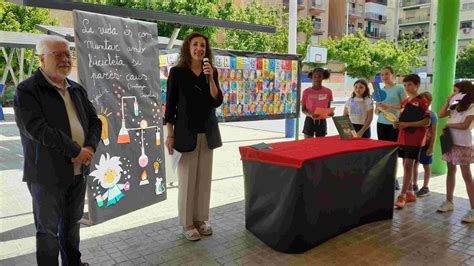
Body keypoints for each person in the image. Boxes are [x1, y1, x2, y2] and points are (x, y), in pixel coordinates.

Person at [13, 35, 101, 265]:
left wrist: (89, 147)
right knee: (48, 233)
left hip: (78, 171)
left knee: (71, 227)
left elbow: (95, 121)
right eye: (58, 54)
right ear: (42, 59)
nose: (65, 59)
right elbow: (37, 129)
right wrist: (75, 151)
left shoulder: (76, 89)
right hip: (47, 175)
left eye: (67, 53)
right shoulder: (27, 90)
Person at [164, 32, 223, 241]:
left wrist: (210, 78)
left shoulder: (211, 72)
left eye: (203, 46)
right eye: (195, 44)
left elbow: (217, 101)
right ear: (188, 48)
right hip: (184, 134)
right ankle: (187, 223)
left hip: (207, 133)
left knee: (203, 179)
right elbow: (170, 106)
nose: (199, 48)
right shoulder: (177, 73)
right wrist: (169, 135)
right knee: (187, 181)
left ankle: (200, 219)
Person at [436, 81, 474, 223]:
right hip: (449, 142)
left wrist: (449, 124)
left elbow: (465, 125)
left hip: (463, 144)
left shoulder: (471, 106)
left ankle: (473, 210)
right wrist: (447, 102)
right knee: (450, 171)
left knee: (467, 176)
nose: (453, 93)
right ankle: (449, 202)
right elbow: (440, 114)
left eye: (456, 90)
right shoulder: (455, 106)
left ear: (464, 92)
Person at [393, 74, 430, 209]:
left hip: (415, 138)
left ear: (417, 85)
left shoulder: (422, 101)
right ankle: (410, 192)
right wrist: (398, 124)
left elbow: (427, 122)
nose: (407, 87)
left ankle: (402, 195)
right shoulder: (404, 102)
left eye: (410, 85)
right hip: (403, 137)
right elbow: (404, 120)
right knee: (405, 164)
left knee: (409, 165)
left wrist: (407, 125)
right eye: (405, 85)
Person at [376, 66, 407, 189]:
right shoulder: (380, 91)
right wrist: (378, 108)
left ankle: (393, 179)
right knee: (383, 152)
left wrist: (389, 106)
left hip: (394, 124)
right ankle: (384, 177)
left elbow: (405, 106)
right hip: (381, 123)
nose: (384, 77)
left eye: (387, 74)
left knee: (393, 152)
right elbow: (377, 112)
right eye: (382, 75)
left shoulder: (399, 88)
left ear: (393, 75)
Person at [412, 92, 437, 197]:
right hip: (416, 143)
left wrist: (431, 147)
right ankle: (414, 184)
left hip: (426, 144)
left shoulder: (432, 115)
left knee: (426, 165)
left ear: (429, 102)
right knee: (414, 164)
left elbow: (434, 132)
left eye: (425, 100)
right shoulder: (415, 113)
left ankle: (425, 187)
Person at [301, 68, 333, 139]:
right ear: (311, 76)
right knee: (307, 144)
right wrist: (310, 114)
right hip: (309, 121)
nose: (317, 79)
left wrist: (330, 113)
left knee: (320, 145)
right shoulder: (306, 92)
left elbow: (328, 108)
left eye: (319, 76)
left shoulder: (328, 91)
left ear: (323, 77)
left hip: (322, 122)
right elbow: (303, 109)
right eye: (315, 76)